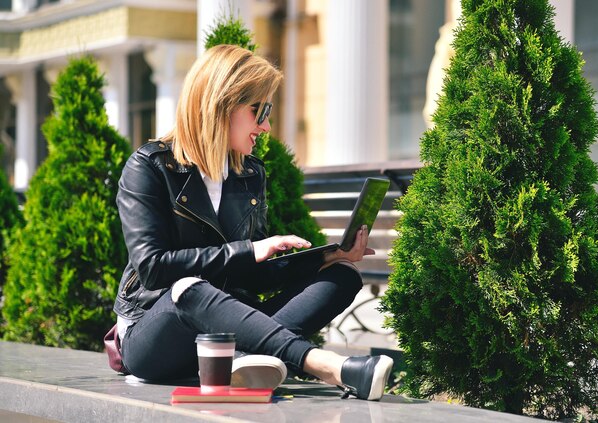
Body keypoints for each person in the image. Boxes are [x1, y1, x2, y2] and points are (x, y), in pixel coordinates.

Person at [113, 44, 393, 401]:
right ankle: (328, 366)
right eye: (258, 110)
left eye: (268, 111)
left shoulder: (249, 174)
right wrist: (247, 250)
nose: (266, 125)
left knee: (341, 278)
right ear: (221, 105)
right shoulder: (150, 167)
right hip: (156, 331)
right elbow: (153, 269)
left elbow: (252, 276)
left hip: (228, 326)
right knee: (188, 287)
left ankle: (245, 362)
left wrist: (326, 258)